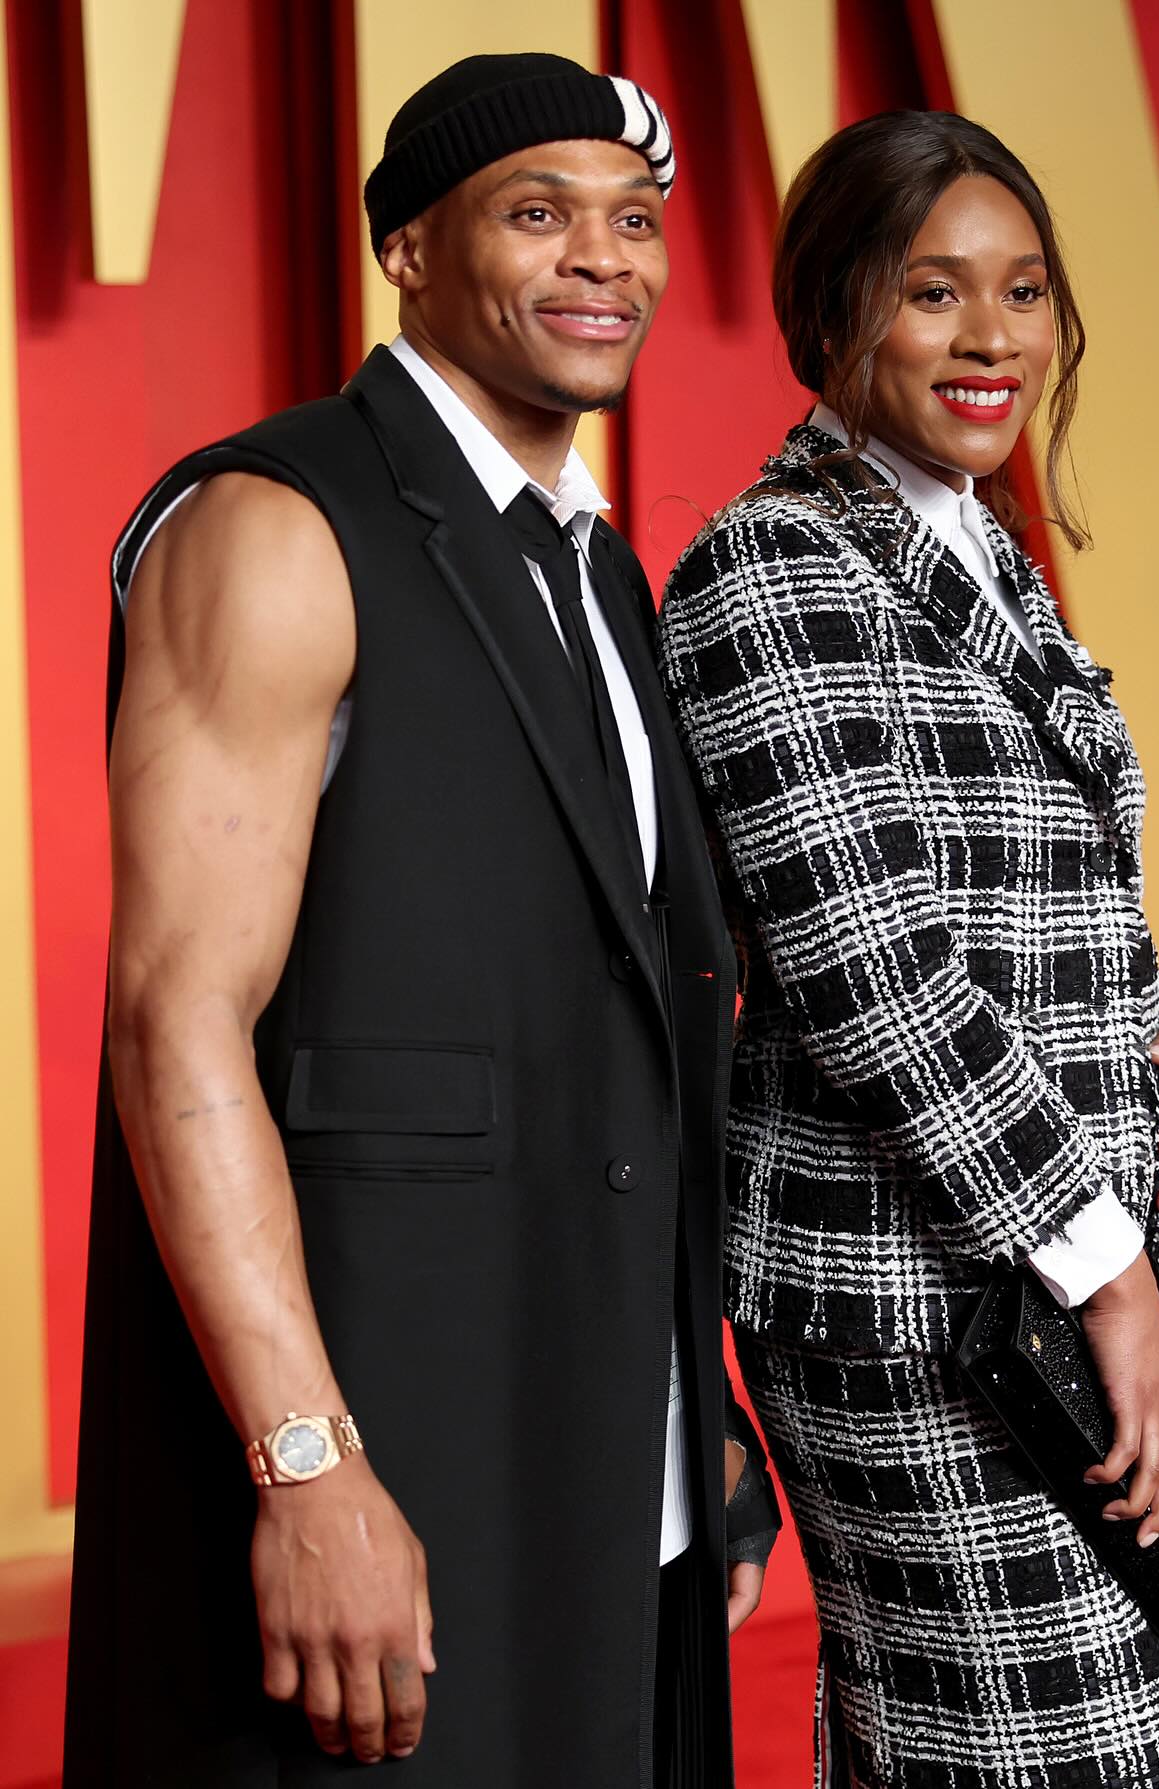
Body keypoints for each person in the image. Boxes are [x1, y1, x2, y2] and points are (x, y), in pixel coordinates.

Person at [64, 52, 778, 1789]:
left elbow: (620, 1027)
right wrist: (307, 1468)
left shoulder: (599, 568)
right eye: (538, 213)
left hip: (610, 1475)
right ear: (407, 250)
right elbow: (176, 1021)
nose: (603, 257)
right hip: (386, 1469)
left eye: (635, 220)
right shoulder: (275, 524)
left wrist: (693, 1413)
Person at [658, 110, 1159, 1788]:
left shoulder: (972, 540)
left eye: (1024, 291)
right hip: (921, 1304)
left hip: (1045, 1276)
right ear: (834, 309)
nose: (993, 338)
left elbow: (1030, 884)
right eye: (934, 292)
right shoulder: (772, 568)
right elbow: (873, 976)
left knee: (979, 1748)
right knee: (1046, 1754)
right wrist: (1108, 1272)